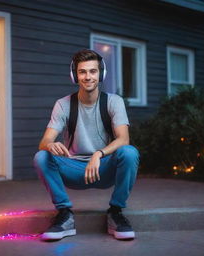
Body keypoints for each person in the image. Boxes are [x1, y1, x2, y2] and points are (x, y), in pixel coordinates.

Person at [34, 49, 139, 241]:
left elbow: (123, 139)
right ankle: (65, 214)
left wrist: (98, 154)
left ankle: (115, 212)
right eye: (82, 72)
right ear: (74, 75)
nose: (88, 76)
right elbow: (44, 142)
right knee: (41, 156)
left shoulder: (114, 102)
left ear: (101, 74)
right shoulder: (63, 104)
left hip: (103, 169)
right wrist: (50, 145)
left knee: (129, 153)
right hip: (74, 169)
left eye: (93, 71)